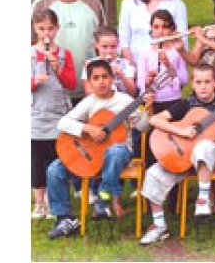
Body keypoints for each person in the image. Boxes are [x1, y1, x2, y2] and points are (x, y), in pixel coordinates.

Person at [138, 64, 215, 245]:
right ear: (192, 84)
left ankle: (203, 199)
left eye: (207, 82)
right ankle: (159, 226)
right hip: (185, 157)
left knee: (203, 146)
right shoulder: (187, 104)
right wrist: (180, 132)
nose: (203, 86)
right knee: (153, 173)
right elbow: (155, 119)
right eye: (198, 82)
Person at [45, 59, 150, 239]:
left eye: (105, 77)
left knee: (116, 150)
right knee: (55, 169)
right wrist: (88, 128)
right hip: (93, 155)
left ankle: (104, 198)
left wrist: (144, 111)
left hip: (120, 154)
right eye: (96, 78)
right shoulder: (89, 102)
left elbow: (144, 127)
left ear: (112, 79)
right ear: (90, 82)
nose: (101, 81)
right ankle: (64, 219)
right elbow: (63, 123)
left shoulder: (125, 100)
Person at [31, 0, 107, 104]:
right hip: (50, 92)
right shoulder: (42, 5)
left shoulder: (93, 4)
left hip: (89, 88)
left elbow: (105, 42)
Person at [31, 9, 77, 219]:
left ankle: (53, 200)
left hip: (57, 113)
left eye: (50, 28)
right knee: (36, 160)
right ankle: (39, 203)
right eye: (42, 29)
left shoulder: (64, 54)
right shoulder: (29, 54)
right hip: (35, 115)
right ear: (35, 29)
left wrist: (58, 69)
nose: (46, 33)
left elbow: (71, 83)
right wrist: (34, 82)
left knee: (54, 159)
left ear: (57, 29)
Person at [118, 0, 189, 71]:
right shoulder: (128, 4)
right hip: (135, 64)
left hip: (167, 66)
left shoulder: (176, 4)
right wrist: (133, 69)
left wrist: (175, 69)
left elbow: (182, 38)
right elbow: (123, 40)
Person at [82, 26, 137, 96]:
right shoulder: (89, 64)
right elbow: (88, 92)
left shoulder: (126, 64)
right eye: (104, 47)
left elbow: (132, 93)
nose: (109, 51)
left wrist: (121, 76)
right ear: (96, 45)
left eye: (113, 46)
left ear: (118, 45)